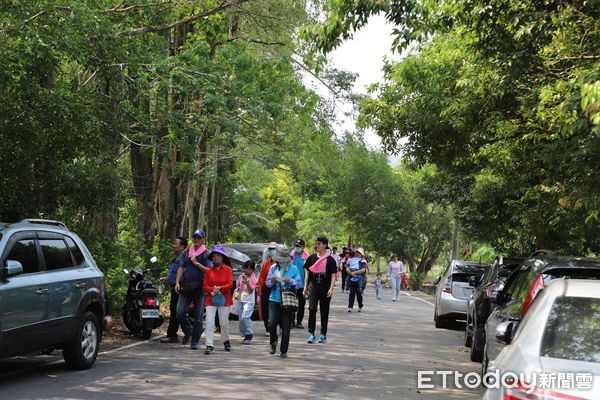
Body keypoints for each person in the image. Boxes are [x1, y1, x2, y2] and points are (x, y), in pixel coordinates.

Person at [175, 229, 211, 350]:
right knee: (179, 312)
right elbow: (181, 267)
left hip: (200, 287)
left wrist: (196, 263)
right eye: (194, 237)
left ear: (203, 239)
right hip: (186, 286)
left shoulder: (206, 253)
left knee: (198, 316)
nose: (196, 240)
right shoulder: (186, 251)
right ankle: (188, 331)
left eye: (199, 238)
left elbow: (209, 271)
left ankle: (195, 341)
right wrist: (177, 282)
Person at [266, 250, 301, 358]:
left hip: (287, 300)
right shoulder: (273, 268)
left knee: (286, 327)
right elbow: (267, 284)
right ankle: (273, 341)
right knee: (272, 323)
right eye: (281, 261)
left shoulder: (293, 268)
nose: (283, 263)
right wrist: (272, 280)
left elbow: (299, 283)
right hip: (274, 299)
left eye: (285, 261)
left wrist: (290, 280)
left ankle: (284, 350)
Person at [303, 236, 337, 344]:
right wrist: (305, 288)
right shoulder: (311, 258)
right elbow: (307, 274)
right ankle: (311, 333)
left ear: (325, 245)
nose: (317, 245)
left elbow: (333, 276)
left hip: (325, 288)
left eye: (319, 244)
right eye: (316, 244)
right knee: (312, 309)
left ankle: (323, 334)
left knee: (324, 311)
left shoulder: (330, 260)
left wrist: (331, 289)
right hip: (313, 287)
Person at [203, 245, 234, 354]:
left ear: (222, 257)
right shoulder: (208, 271)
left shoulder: (228, 269)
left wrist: (221, 288)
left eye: (218, 256)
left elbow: (230, 284)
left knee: (224, 323)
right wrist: (213, 289)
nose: (216, 258)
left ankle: (225, 340)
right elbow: (205, 286)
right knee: (209, 322)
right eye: (214, 256)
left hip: (225, 299)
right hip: (211, 298)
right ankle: (209, 344)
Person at [159, 236, 187, 343]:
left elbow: (182, 273)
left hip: (179, 288)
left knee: (177, 312)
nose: (173, 245)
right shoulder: (176, 258)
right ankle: (175, 334)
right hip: (173, 287)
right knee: (175, 311)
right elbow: (174, 274)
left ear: (182, 246)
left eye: (176, 244)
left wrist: (177, 283)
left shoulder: (183, 258)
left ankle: (173, 335)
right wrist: (166, 279)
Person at [256, 242, 278, 336]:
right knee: (265, 308)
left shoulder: (281, 262)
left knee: (276, 308)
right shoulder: (266, 263)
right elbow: (262, 277)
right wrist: (260, 290)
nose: (271, 251)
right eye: (270, 249)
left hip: (277, 288)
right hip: (267, 288)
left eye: (273, 249)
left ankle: (276, 326)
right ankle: (267, 328)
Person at [236, 260, 256, 344]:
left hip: (249, 301)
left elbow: (251, 290)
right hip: (241, 299)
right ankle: (244, 334)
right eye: (246, 268)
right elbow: (238, 287)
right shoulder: (241, 277)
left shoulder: (253, 278)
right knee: (241, 319)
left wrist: (247, 282)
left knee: (245, 317)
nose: (247, 271)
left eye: (249, 269)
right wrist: (237, 294)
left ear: (252, 270)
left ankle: (249, 334)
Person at [290, 239, 309, 329]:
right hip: (292, 284)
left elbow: (308, 272)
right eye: (297, 246)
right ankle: (291, 321)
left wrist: (307, 286)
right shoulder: (291, 255)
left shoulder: (306, 257)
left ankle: (299, 322)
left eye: (300, 246)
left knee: (301, 304)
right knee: (292, 304)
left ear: (303, 247)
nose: (298, 248)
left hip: (302, 285)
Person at [346, 248, 367, 312]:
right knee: (352, 293)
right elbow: (347, 268)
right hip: (352, 279)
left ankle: (360, 305)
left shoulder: (363, 261)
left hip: (360, 279)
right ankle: (350, 307)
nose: (358, 254)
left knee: (358, 294)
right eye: (357, 252)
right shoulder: (352, 260)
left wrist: (355, 273)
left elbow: (363, 270)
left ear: (362, 254)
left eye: (359, 253)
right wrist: (351, 273)